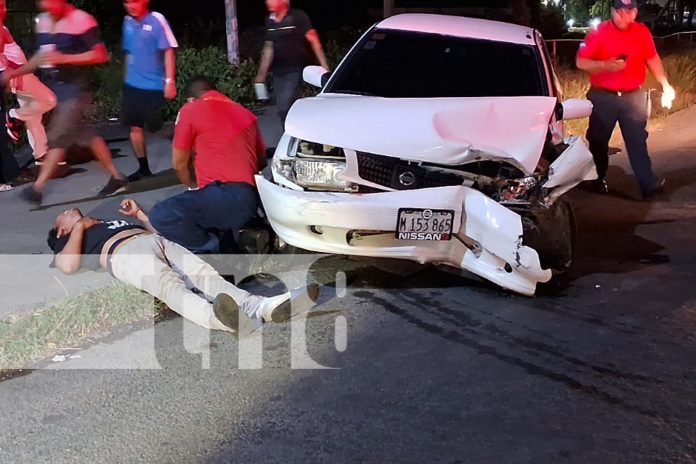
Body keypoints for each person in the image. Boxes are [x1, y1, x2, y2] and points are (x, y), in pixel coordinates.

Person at [47, 200, 319, 335]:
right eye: (66, 214)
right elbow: (67, 266)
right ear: (61, 230)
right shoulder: (70, 240)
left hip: (154, 241)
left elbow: (156, 230)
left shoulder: (100, 223)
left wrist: (140, 216)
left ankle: (262, 307)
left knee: (206, 276)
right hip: (124, 255)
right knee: (173, 290)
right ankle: (227, 321)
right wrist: (80, 226)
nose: (72, 209)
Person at [2, 0, 128, 204]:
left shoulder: (81, 21)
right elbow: (41, 58)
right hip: (58, 87)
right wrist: (14, 73)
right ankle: (117, 176)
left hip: (77, 88)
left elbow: (100, 54)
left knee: (58, 136)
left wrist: (65, 59)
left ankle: (37, 188)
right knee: (87, 135)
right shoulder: (43, 21)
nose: (47, 8)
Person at [148, 77, 266, 254]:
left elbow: (179, 164)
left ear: (190, 99)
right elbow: (261, 161)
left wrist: (193, 186)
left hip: (224, 196)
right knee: (199, 207)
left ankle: (213, 257)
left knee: (163, 215)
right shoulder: (245, 113)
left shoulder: (190, 110)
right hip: (250, 197)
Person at [576, 0, 674, 200]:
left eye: (628, 11)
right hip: (603, 97)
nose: (623, 15)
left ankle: (648, 186)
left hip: (633, 96)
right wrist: (605, 65)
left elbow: (652, 58)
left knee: (637, 141)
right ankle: (597, 179)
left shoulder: (642, 32)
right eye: (618, 11)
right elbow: (581, 61)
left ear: (635, 12)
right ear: (612, 11)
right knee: (598, 141)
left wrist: (665, 84)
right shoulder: (599, 32)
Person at [122, 0, 178, 181]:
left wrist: (170, 81)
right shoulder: (128, 23)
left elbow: (168, 50)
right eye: (127, 2)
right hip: (132, 84)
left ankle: (188, 150)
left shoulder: (156, 20)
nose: (130, 6)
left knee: (156, 126)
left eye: (134, 1)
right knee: (135, 126)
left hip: (154, 84)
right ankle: (143, 168)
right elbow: (129, 53)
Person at [0, 0, 57, 165]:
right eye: (0, 6)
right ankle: (13, 115)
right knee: (49, 100)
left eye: (4, 5)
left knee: (33, 114)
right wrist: (11, 75)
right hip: (19, 74)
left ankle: (40, 153)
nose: (4, 10)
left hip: (20, 72)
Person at [254, 0, 329, 125]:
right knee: (282, 108)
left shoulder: (298, 17)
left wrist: (324, 66)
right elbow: (269, 47)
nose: (269, 2)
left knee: (285, 103)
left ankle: (295, 132)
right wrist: (261, 74)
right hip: (278, 70)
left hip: (295, 68)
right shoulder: (270, 21)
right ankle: (291, 132)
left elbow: (313, 40)